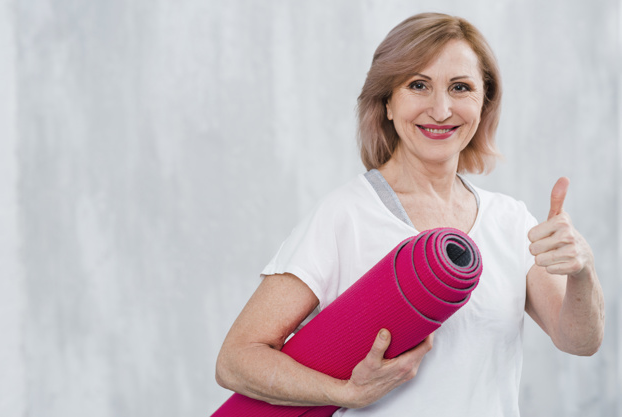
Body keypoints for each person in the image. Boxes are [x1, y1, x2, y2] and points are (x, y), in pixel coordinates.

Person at [215, 12, 605, 415]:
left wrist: (582, 270)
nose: (440, 109)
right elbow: (236, 360)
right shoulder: (345, 215)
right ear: (387, 102)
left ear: (484, 104)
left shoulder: (511, 221)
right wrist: (344, 392)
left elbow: (579, 340)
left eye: (461, 87)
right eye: (418, 85)